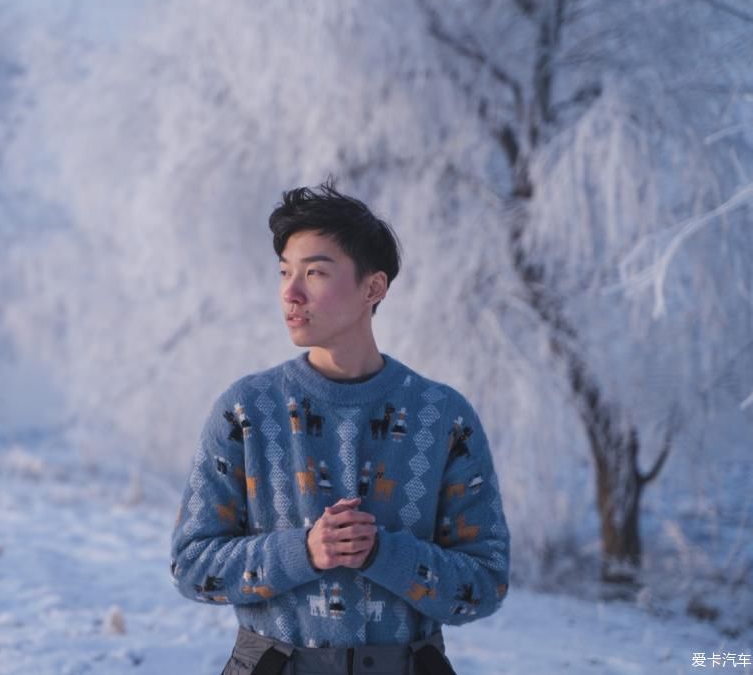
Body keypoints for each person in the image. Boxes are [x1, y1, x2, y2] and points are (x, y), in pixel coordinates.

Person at [170, 181, 509, 675]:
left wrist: (383, 554)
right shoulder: (245, 411)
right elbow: (192, 567)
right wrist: (302, 551)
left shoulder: (443, 416)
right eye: (285, 271)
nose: (291, 292)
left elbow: (485, 584)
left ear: (373, 288)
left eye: (315, 272)